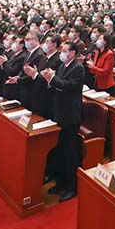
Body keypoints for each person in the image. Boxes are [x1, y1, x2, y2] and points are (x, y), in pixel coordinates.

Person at [42, 41, 85, 202]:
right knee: (59, 150)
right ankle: (60, 183)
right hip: (59, 112)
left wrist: (52, 78)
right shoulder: (62, 66)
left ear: (73, 53)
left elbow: (68, 86)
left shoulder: (77, 68)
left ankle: (72, 187)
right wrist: (49, 79)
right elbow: (57, 83)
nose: (62, 52)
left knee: (70, 153)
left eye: (65, 50)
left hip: (70, 115)